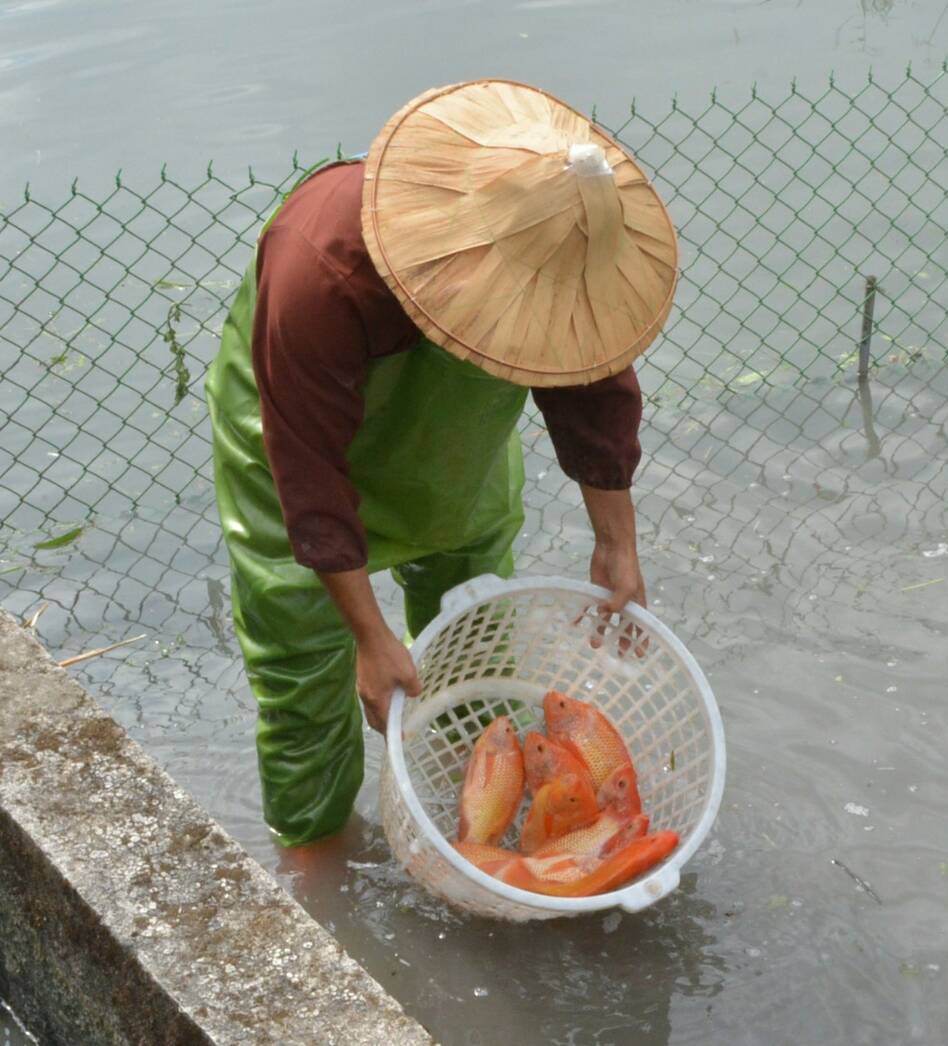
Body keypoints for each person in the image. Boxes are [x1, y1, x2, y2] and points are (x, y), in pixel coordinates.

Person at [205, 80, 679, 852]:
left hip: (457, 436)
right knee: (302, 669)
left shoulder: (563, 251)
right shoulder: (322, 263)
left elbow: (596, 386)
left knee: (475, 630)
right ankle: (314, 867)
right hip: (295, 439)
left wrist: (617, 541)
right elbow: (309, 467)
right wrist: (368, 635)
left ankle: (482, 828)